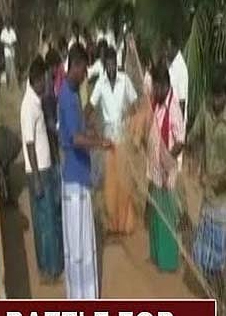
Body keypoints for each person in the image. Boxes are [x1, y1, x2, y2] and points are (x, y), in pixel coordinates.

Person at [58, 44, 113, 299]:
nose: (85, 76)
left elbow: (79, 130)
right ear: (76, 66)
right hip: (74, 180)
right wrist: (99, 143)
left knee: (82, 242)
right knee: (78, 245)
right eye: (83, 70)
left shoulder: (72, 94)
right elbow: (76, 139)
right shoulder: (68, 99)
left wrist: (93, 132)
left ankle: (85, 295)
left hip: (80, 177)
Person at [21, 56, 64, 280]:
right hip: (38, 171)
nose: (47, 84)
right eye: (44, 80)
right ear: (36, 80)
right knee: (44, 222)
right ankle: (48, 270)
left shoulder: (36, 102)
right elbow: (29, 143)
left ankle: (53, 266)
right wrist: (37, 177)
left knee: (49, 219)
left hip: (46, 168)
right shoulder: (28, 106)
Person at [88, 46, 138, 235]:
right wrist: (86, 123)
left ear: (116, 64)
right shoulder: (100, 84)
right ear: (104, 65)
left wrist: (130, 119)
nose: (111, 69)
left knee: (124, 183)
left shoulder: (124, 81)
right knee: (111, 184)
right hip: (108, 141)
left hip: (123, 138)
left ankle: (126, 223)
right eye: (107, 65)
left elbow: (134, 104)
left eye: (113, 65)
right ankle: (113, 223)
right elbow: (90, 106)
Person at [189, 67, 226, 298]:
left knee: (220, 258)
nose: (215, 101)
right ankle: (212, 298)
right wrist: (186, 148)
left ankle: (219, 300)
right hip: (209, 196)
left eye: (219, 96)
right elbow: (194, 135)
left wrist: (218, 179)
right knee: (205, 254)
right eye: (213, 95)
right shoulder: (206, 108)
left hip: (223, 200)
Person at [146, 63, 185, 273]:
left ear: (164, 85)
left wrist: (167, 159)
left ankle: (168, 262)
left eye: (156, 87)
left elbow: (180, 140)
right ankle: (157, 256)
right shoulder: (158, 103)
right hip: (155, 170)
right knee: (156, 216)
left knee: (167, 218)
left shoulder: (174, 108)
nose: (153, 91)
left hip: (167, 171)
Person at [165, 36, 189, 128]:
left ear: (175, 48)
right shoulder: (172, 66)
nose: (166, 52)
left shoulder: (181, 68)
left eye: (168, 48)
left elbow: (182, 101)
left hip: (177, 122)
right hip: (170, 119)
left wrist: (179, 127)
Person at [0, 17, 17, 84]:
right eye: (6, 22)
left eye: (9, 22)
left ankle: (12, 82)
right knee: (7, 67)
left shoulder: (12, 31)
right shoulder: (3, 31)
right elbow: (2, 41)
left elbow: (15, 40)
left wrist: (11, 45)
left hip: (12, 51)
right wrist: (7, 45)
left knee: (12, 67)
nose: (8, 24)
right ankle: (7, 81)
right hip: (6, 51)